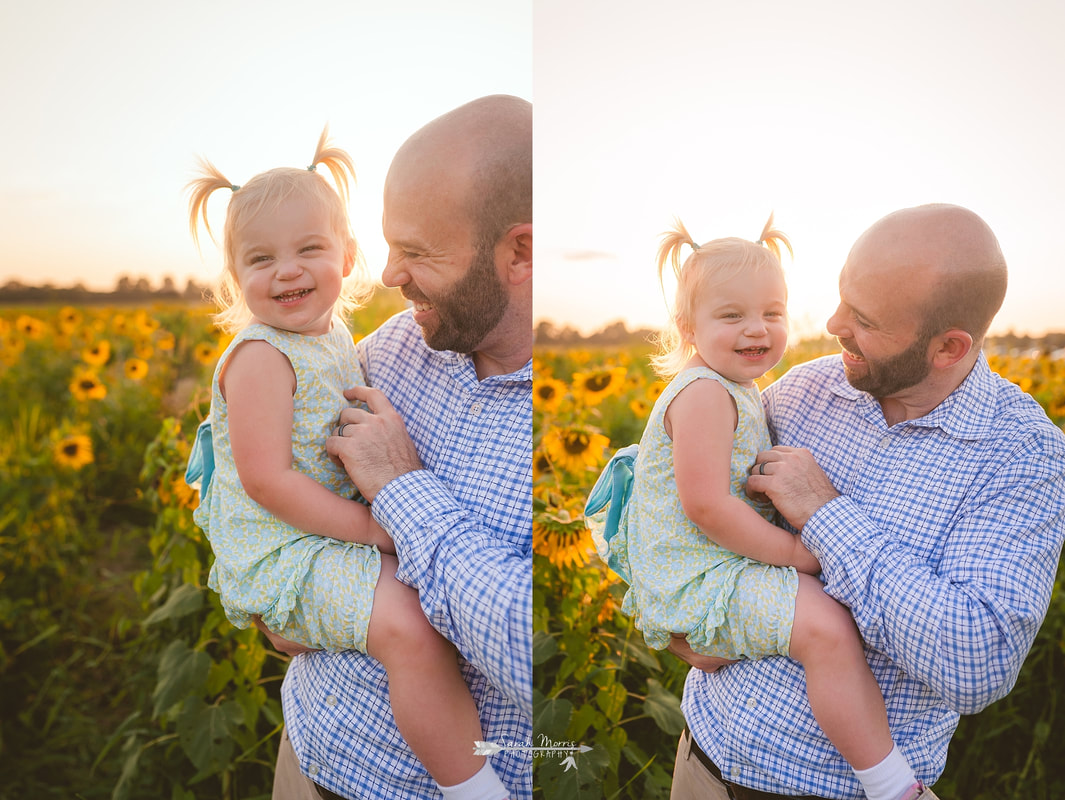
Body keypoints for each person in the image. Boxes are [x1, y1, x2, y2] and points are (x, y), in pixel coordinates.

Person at [668, 204, 1065, 799]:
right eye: (840, 298)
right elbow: (687, 502)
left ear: (948, 348)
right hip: (701, 761)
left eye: (864, 318)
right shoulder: (803, 389)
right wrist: (671, 619)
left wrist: (826, 517)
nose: (832, 324)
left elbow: (977, 661)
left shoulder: (1021, 454)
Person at [185, 129, 506, 798]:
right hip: (284, 545)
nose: (287, 271)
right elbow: (265, 479)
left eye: (309, 249)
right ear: (235, 278)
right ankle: (473, 787)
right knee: (409, 629)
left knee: (410, 618)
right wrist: (373, 530)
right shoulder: (261, 358)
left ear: (348, 255)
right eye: (260, 258)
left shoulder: (333, 335)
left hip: (318, 534)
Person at [590, 215, 922, 800]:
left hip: (712, 564)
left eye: (772, 313)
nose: (757, 330)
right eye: (732, 315)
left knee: (824, 622)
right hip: (699, 573)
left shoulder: (733, 386)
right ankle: (892, 784)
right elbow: (707, 507)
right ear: (688, 326)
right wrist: (796, 552)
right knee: (825, 629)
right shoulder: (704, 396)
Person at [265, 95, 532, 800]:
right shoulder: (388, 351)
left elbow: (530, 654)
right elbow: (278, 487)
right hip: (308, 756)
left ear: (520, 252)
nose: (387, 275)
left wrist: (402, 491)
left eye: (416, 251)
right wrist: (276, 591)